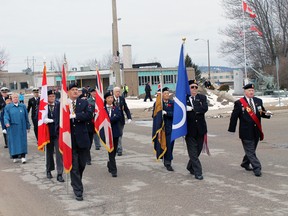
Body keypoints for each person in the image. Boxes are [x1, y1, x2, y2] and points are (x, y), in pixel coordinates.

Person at [228, 83, 271, 177]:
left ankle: (245, 163)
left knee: (251, 150)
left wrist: (267, 114)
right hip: (246, 131)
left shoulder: (258, 101)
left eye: (252, 90)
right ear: (245, 92)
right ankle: (257, 167)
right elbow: (234, 117)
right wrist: (232, 129)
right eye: (249, 91)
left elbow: (261, 113)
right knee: (250, 150)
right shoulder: (239, 103)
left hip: (256, 130)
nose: (251, 92)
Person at [68, 83, 93, 201]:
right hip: (69, 140)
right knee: (74, 166)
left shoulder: (83, 103)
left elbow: (89, 115)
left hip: (82, 139)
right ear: (68, 92)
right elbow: (59, 122)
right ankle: (78, 190)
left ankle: (76, 181)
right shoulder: (62, 104)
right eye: (72, 90)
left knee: (82, 164)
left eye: (76, 90)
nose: (75, 91)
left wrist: (75, 115)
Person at [185, 80, 208, 180]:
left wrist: (193, 108)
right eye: (192, 87)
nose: (194, 89)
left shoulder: (202, 98)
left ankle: (190, 166)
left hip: (200, 129)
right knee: (193, 152)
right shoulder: (183, 99)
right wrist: (184, 108)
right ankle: (198, 172)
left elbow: (204, 108)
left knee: (198, 150)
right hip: (189, 130)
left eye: (195, 87)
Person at [4, 93, 30, 163]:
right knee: (14, 142)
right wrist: (7, 122)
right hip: (13, 128)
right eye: (14, 97)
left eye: (16, 97)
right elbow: (6, 116)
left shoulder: (22, 106)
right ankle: (14, 156)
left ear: (18, 98)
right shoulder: (8, 107)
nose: (15, 99)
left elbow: (26, 117)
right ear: (11, 99)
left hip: (22, 127)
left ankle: (23, 156)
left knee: (22, 142)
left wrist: (28, 126)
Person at [44, 90, 64, 182]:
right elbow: (38, 118)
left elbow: (62, 116)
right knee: (49, 153)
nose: (52, 98)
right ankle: (48, 170)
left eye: (53, 96)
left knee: (59, 154)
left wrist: (53, 120)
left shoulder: (58, 105)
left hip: (57, 133)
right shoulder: (43, 106)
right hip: (47, 134)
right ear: (47, 97)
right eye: (50, 96)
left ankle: (60, 173)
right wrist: (44, 120)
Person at [154, 87, 175, 171]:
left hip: (170, 127)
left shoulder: (172, 103)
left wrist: (166, 113)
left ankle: (168, 161)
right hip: (161, 128)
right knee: (162, 143)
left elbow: (175, 114)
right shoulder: (159, 104)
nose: (167, 95)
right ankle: (165, 159)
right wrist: (159, 114)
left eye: (167, 93)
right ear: (162, 95)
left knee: (170, 145)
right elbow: (154, 115)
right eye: (165, 93)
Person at [104, 91, 121, 177]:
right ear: (106, 99)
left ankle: (110, 163)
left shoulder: (116, 108)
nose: (110, 99)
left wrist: (109, 120)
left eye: (111, 98)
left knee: (113, 151)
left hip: (115, 132)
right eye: (109, 98)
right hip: (107, 133)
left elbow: (118, 116)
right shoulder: (103, 109)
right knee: (110, 150)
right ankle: (114, 170)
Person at [113, 86, 132, 156]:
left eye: (119, 91)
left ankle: (119, 149)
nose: (118, 93)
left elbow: (126, 108)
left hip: (121, 120)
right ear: (114, 92)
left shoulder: (121, 99)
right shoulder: (110, 99)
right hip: (113, 120)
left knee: (120, 134)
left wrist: (129, 117)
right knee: (115, 135)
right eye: (117, 92)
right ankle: (116, 148)